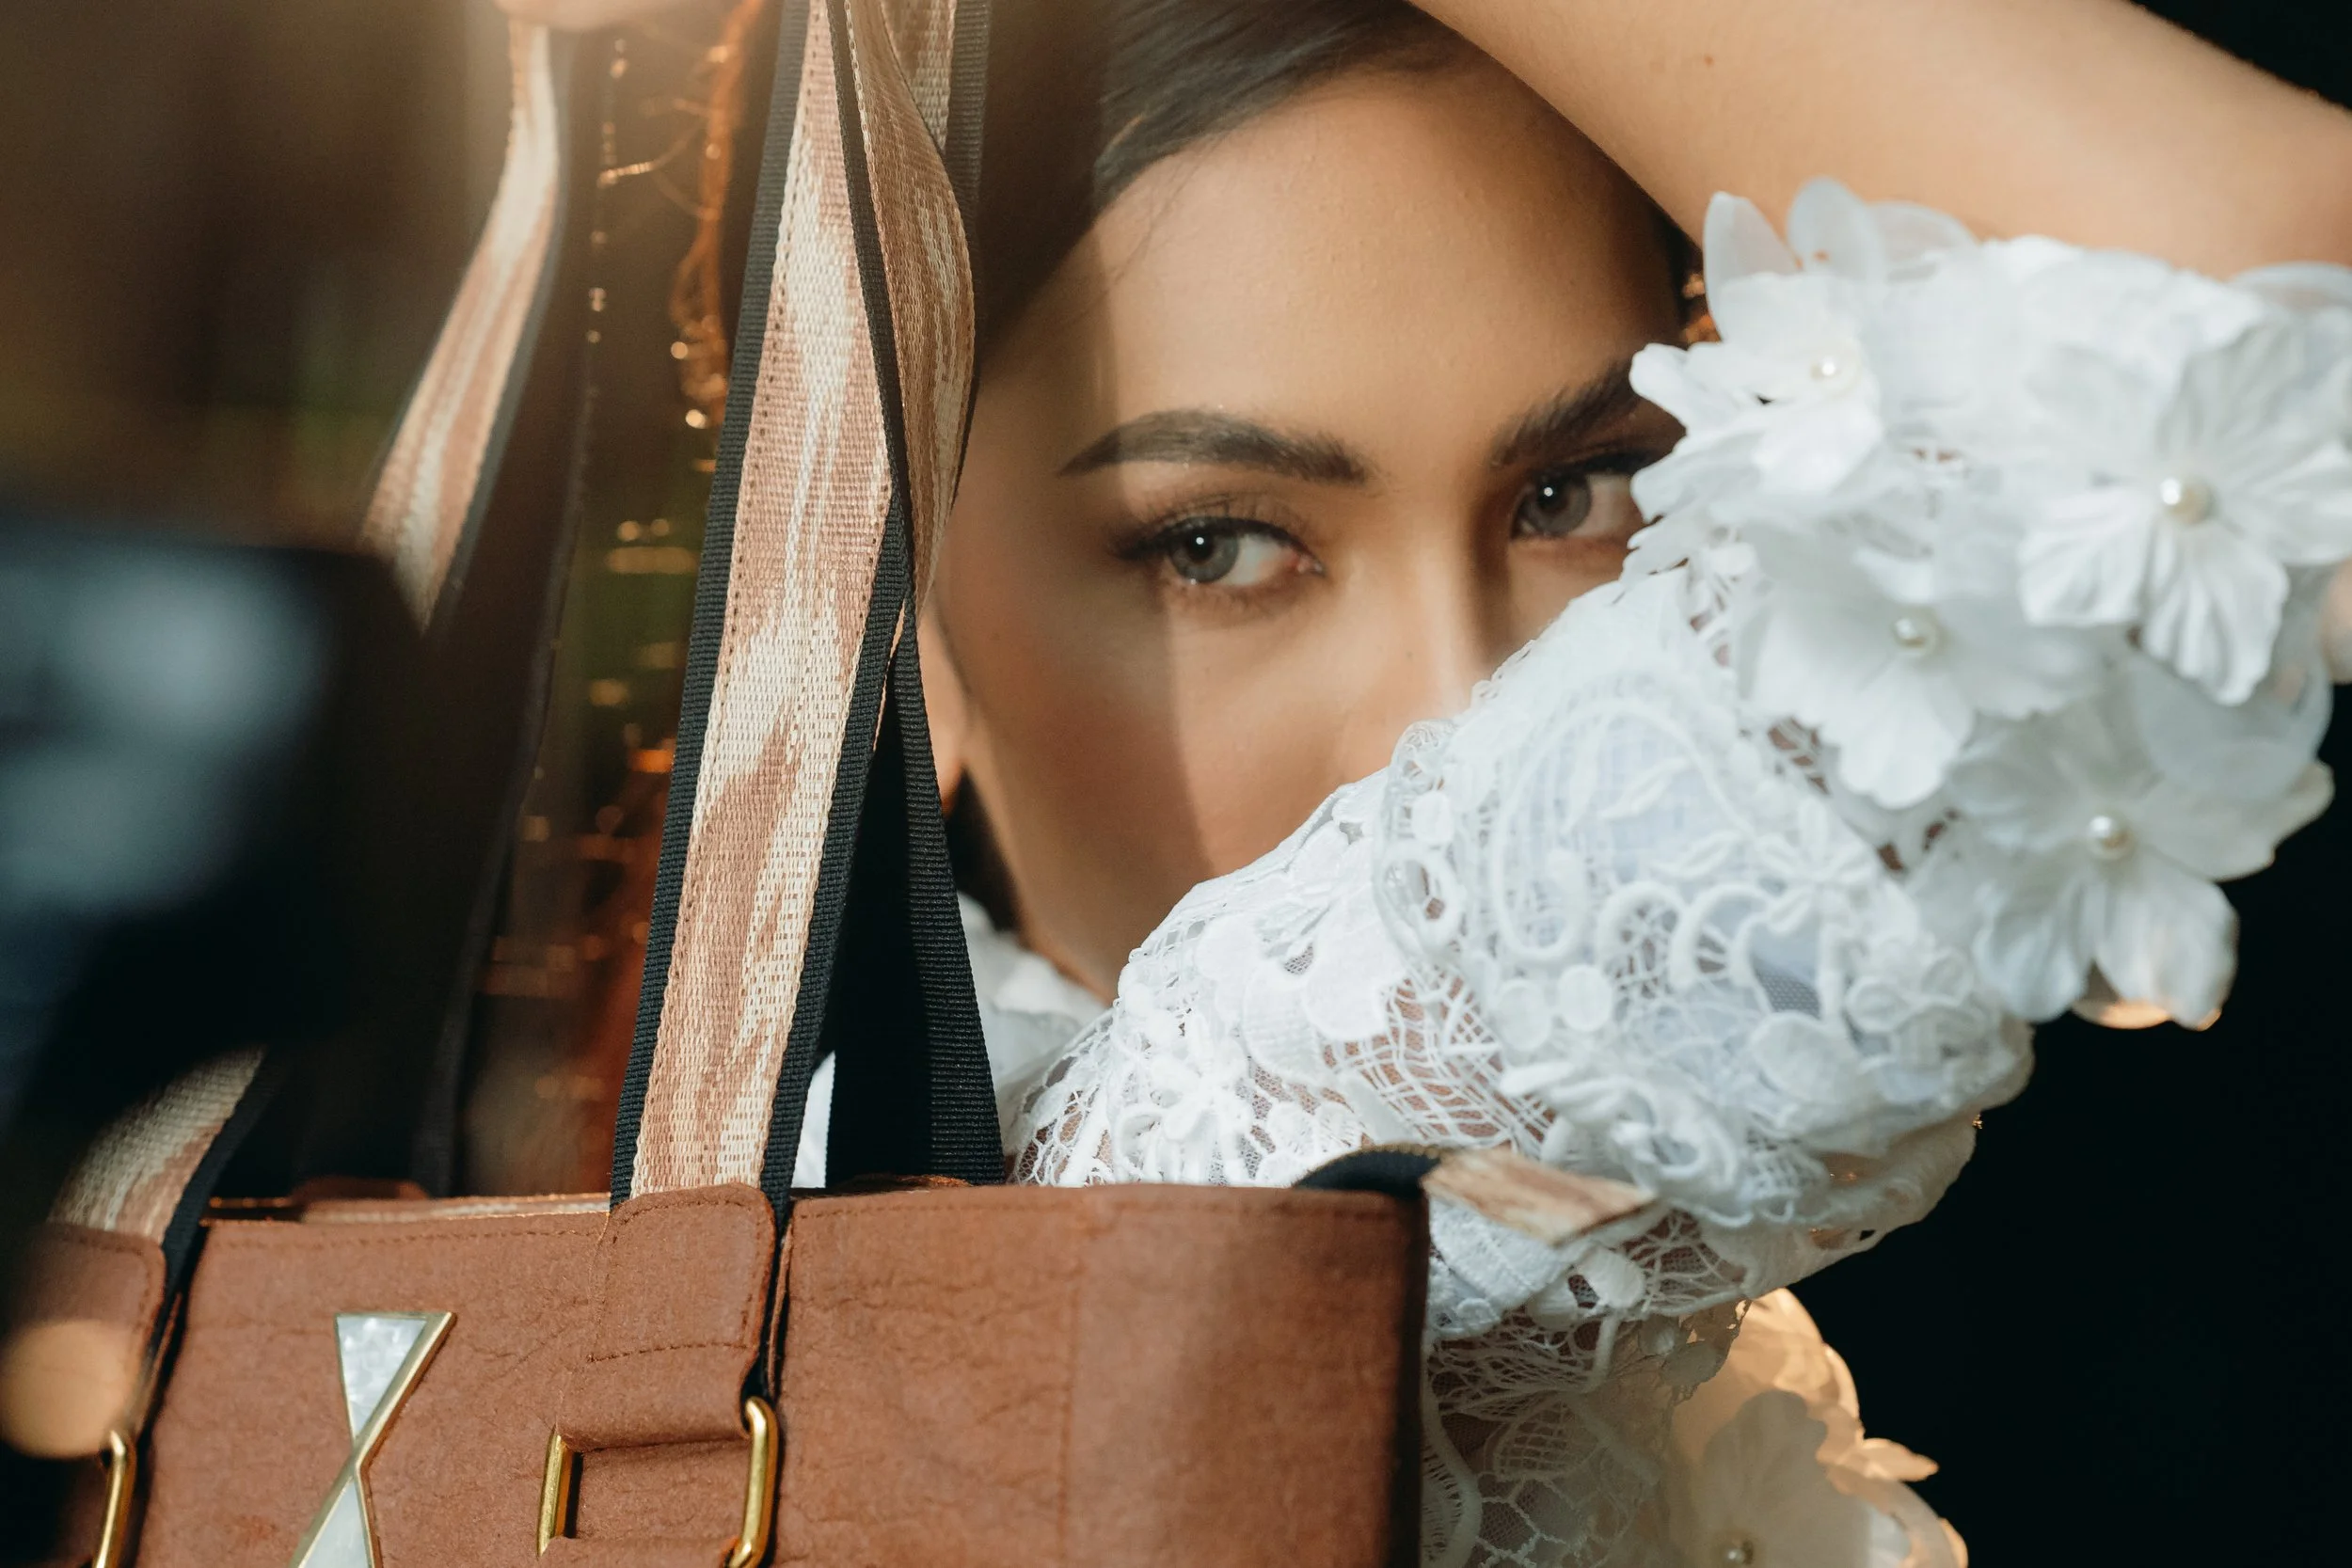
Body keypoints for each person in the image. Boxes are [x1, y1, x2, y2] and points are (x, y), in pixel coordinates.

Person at [864, 1, 2352, 1564]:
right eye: (1215, 547)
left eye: (1573, 493)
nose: (1462, 714)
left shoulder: (1666, 1346)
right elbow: (2265, 332)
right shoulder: (1064, 1226)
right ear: (886, 624)